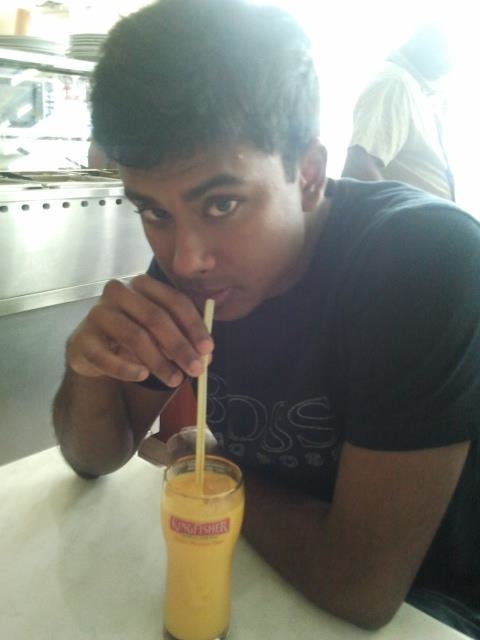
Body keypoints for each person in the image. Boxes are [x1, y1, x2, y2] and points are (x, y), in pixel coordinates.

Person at [52, 0, 480, 636]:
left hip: (436, 608)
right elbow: (95, 458)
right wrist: (89, 368)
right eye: (154, 211)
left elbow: (359, 587)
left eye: (222, 203)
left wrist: (207, 468)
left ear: (307, 175)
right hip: (267, 570)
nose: (185, 259)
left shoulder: (422, 263)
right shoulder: (193, 268)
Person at [341, 24, 455, 200]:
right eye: (446, 52)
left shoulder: (416, 89)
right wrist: (404, 215)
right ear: (423, 45)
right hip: (411, 218)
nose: (449, 63)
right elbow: (358, 167)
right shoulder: (395, 84)